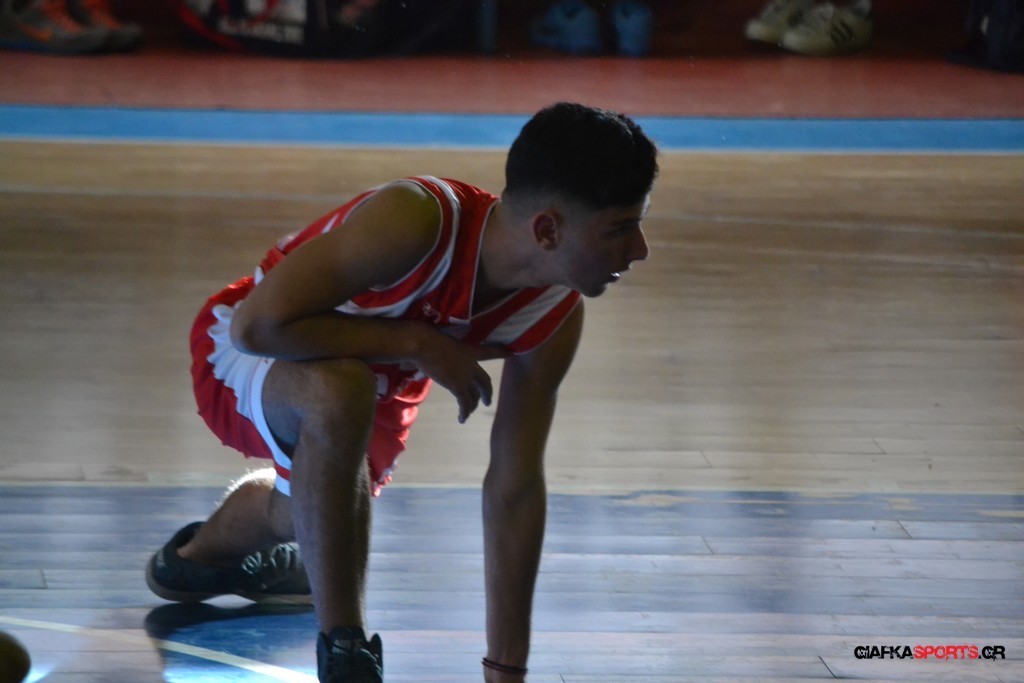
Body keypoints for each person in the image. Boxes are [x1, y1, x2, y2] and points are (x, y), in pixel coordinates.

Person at [145, 101, 659, 683]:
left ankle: (199, 560)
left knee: (307, 516)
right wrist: (417, 342)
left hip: (370, 396)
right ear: (547, 230)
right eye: (620, 228)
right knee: (342, 390)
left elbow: (514, 487)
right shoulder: (417, 218)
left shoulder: (555, 316)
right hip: (246, 351)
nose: (640, 249)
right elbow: (258, 327)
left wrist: (506, 668)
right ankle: (346, 649)